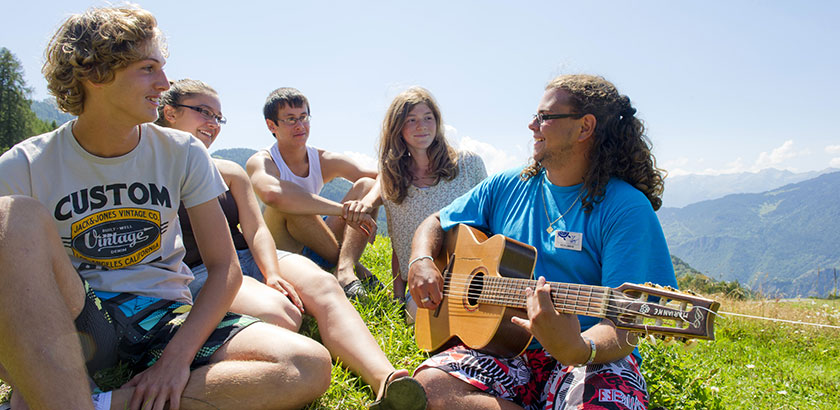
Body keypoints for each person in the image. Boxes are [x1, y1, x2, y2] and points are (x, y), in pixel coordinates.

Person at [0, 6, 333, 409]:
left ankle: (88, 402)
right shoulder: (24, 165)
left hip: (164, 315)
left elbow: (225, 269)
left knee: (306, 364)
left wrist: (175, 362)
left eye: (163, 67)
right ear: (95, 74)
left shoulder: (182, 152)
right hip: (78, 320)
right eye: (148, 68)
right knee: (10, 215)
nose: (164, 83)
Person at [407, 74, 678, 410]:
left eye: (545, 117)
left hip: (589, 354)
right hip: (507, 350)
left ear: (584, 127)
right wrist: (421, 260)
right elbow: (436, 221)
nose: (533, 125)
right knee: (429, 388)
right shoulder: (507, 185)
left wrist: (579, 348)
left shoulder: (626, 208)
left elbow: (626, 323)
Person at [156, 79, 427, 410]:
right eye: (203, 112)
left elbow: (255, 230)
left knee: (325, 286)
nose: (213, 123)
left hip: (251, 256)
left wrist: (271, 272)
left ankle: (387, 380)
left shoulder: (228, 171)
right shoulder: (149, 170)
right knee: (281, 314)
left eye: (218, 116)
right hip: (201, 271)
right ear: (169, 113)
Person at [354, 87, 487, 322]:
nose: (422, 126)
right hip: (426, 284)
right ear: (398, 129)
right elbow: (400, 244)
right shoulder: (394, 180)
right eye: (411, 120)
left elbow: (491, 220)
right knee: (419, 316)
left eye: (428, 118)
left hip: (475, 276)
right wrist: (397, 297)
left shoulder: (468, 165)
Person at [247, 87, 381, 300]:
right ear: (271, 125)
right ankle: (355, 269)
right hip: (283, 246)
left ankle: (344, 270)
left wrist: (364, 206)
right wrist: (343, 211)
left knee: (365, 185)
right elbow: (271, 195)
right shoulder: (262, 161)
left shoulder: (322, 158)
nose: (300, 126)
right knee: (289, 203)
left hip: (318, 238)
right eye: (290, 119)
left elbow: (383, 177)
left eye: (303, 117)